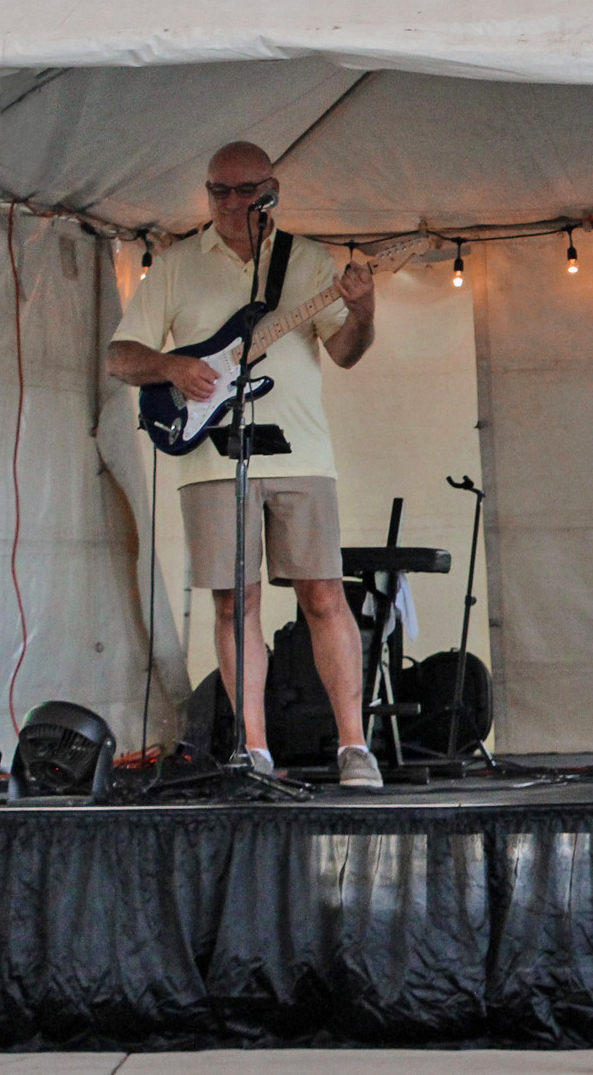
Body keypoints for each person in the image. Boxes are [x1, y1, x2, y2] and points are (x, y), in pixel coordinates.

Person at [106, 142, 384, 788]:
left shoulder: (310, 261)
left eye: (244, 191)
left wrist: (365, 308)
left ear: (271, 191)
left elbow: (345, 351)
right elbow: (120, 356)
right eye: (218, 192)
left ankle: (354, 746)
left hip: (302, 452)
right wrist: (173, 366)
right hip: (210, 457)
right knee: (236, 602)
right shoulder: (177, 264)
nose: (231, 204)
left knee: (323, 592)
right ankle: (253, 748)